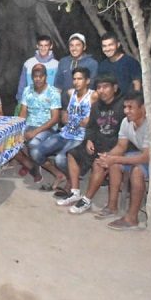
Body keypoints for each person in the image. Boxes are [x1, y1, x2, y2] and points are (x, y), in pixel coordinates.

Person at [95, 91, 151, 230]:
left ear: (143, 108)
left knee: (137, 171)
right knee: (115, 164)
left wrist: (114, 158)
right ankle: (112, 206)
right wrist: (107, 157)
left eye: (130, 107)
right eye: (125, 107)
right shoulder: (126, 122)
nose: (126, 111)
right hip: (150, 156)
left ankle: (132, 218)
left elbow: (145, 157)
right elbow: (121, 146)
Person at [56, 74, 125, 214]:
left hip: (115, 147)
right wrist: (89, 140)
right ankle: (75, 192)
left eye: (105, 87)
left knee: (98, 163)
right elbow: (91, 127)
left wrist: (111, 152)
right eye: (99, 87)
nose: (101, 90)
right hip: (97, 143)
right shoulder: (96, 106)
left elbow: (125, 137)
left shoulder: (123, 106)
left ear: (115, 88)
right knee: (72, 154)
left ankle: (86, 200)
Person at [31, 67, 98, 192]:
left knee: (60, 159)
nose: (76, 82)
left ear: (88, 81)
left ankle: (72, 180)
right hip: (65, 133)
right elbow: (65, 116)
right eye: (74, 79)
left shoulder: (93, 95)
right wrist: (65, 117)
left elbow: (90, 121)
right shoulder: (70, 93)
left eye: (80, 79)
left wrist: (79, 120)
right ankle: (59, 175)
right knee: (35, 152)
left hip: (80, 136)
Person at [15, 64, 62, 182]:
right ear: (32, 77)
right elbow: (23, 114)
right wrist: (18, 130)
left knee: (33, 143)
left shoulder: (53, 92)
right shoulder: (27, 90)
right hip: (29, 124)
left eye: (41, 76)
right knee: (11, 143)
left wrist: (34, 132)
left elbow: (55, 119)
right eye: (35, 76)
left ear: (46, 76)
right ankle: (33, 167)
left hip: (47, 127)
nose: (38, 79)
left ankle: (56, 173)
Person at [54, 33, 98, 106]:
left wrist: (75, 95)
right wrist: (56, 105)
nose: (74, 48)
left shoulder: (92, 63)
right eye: (71, 45)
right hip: (64, 105)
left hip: (84, 105)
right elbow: (58, 86)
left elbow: (92, 85)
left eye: (78, 45)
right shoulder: (63, 62)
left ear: (84, 47)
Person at [16, 35, 59, 103]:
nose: (43, 48)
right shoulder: (28, 63)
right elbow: (22, 84)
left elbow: (58, 87)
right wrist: (20, 101)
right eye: (41, 45)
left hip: (49, 104)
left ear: (51, 46)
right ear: (37, 46)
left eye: (46, 45)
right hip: (30, 104)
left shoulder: (57, 65)